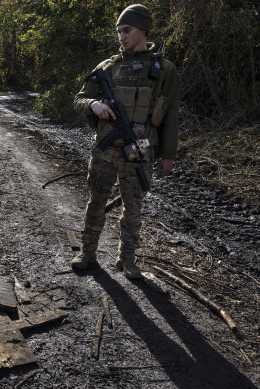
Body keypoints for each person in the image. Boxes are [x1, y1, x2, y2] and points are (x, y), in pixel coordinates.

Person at [71, 4, 180, 279]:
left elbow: (171, 116)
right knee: (96, 201)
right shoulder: (107, 67)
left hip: (139, 152)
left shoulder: (164, 70)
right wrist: (93, 104)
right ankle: (87, 252)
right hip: (105, 151)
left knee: (133, 208)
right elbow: (78, 99)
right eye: (118, 31)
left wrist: (168, 155)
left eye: (127, 30)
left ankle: (127, 259)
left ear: (143, 30)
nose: (121, 36)